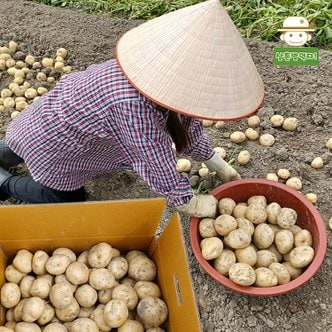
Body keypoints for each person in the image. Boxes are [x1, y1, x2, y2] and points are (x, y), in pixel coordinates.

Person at [0, 0, 264, 217]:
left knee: (17, 146)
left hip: (46, 124)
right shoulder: (131, 106)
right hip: (53, 142)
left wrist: (214, 161)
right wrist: (188, 202)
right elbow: (152, 159)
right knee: (65, 200)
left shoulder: (160, 79)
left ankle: (7, 154)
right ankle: (5, 182)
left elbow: (187, 126)